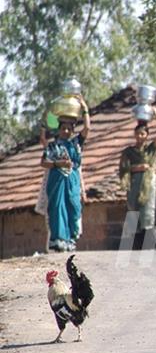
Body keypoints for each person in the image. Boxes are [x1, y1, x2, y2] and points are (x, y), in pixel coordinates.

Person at [39, 97, 90, 252]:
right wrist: (57, 164)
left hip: (72, 181)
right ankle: (59, 239)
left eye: (69, 129)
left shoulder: (76, 144)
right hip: (57, 180)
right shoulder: (54, 146)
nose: (66, 131)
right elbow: (43, 162)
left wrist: (85, 108)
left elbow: (87, 128)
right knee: (57, 207)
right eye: (63, 128)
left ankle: (70, 239)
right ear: (59, 129)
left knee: (73, 208)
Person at [119, 107, 156, 250]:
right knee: (134, 212)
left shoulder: (150, 150)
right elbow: (124, 169)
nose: (140, 136)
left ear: (146, 135)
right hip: (134, 185)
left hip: (148, 186)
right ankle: (135, 245)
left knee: (148, 213)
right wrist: (138, 168)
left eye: (143, 134)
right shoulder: (129, 152)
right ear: (134, 134)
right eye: (138, 134)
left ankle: (149, 244)